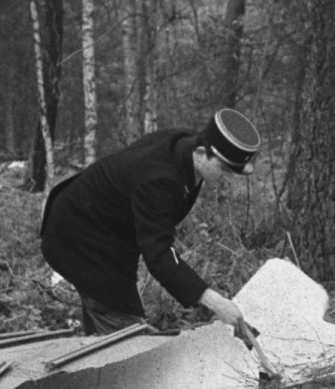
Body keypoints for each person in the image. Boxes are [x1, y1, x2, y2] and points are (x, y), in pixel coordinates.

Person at [40, 108, 262, 337]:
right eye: (224, 169)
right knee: (127, 334)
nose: (227, 177)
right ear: (201, 152)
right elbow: (158, 253)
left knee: (110, 322)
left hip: (109, 233)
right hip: (79, 237)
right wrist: (215, 302)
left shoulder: (185, 148)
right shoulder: (159, 180)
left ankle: (97, 352)